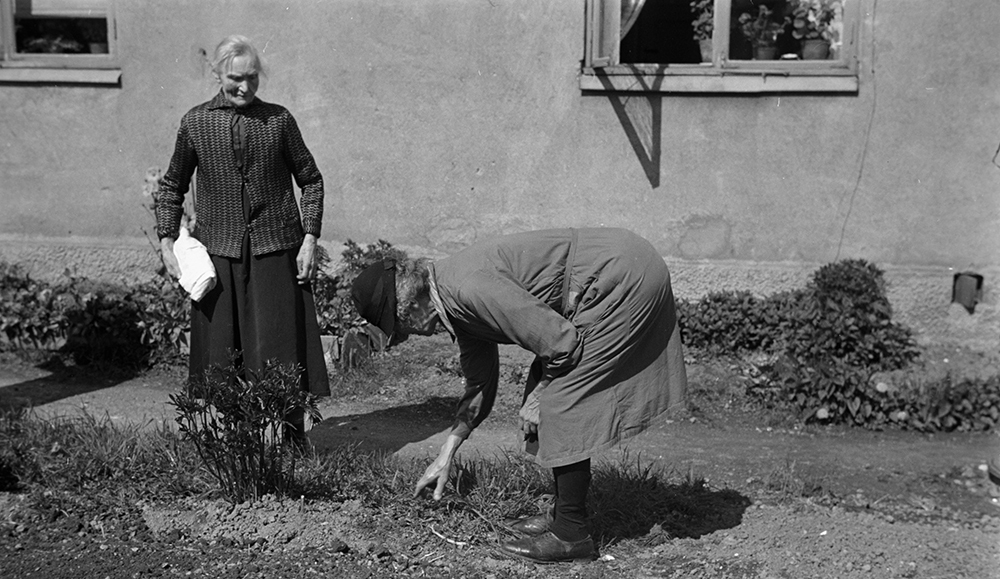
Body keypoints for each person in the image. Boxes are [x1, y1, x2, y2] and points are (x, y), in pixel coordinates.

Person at [351, 227, 687, 563]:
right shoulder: (451, 299)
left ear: (409, 306)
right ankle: (562, 517)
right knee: (549, 390)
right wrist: (448, 451)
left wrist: (540, 400)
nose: (406, 337)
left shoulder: (469, 289)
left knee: (562, 399)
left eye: (399, 327)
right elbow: (480, 382)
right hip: (618, 270)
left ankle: (572, 535)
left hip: (623, 277)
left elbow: (562, 343)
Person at [156, 35, 330, 444]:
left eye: (252, 78)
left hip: (276, 248)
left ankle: (293, 438)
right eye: (236, 78)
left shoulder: (279, 121)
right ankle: (241, 441)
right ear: (217, 74)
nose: (245, 87)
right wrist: (167, 241)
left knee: (282, 343)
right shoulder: (196, 123)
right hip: (219, 254)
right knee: (224, 348)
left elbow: (312, 181)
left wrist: (309, 239)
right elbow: (171, 187)